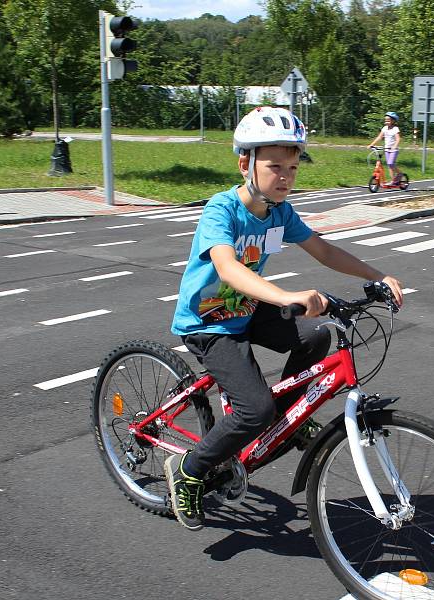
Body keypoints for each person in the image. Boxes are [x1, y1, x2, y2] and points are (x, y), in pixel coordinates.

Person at [166, 106, 404, 531]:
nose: (286, 176)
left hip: (248, 311)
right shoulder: (221, 210)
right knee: (253, 410)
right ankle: (189, 468)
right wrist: (285, 295)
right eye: (275, 166)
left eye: (293, 167)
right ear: (246, 163)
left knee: (315, 337)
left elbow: (324, 249)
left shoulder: (280, 212)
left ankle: (286, 421)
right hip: (209, 321)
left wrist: (376, 275)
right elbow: (227, 268)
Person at [369, 111, 402, 183]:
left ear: (393, 121)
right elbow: (379, 137)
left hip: (393, 150)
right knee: (389, 165)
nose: (386, 122)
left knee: (391, 163)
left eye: (388, 120)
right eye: (385, 120)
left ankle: (399, 174)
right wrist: (372, 144)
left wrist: (394, 146)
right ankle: (393, 179)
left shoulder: (395, 128)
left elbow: (398, 139)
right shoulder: (384, 128)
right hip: (386, 149)